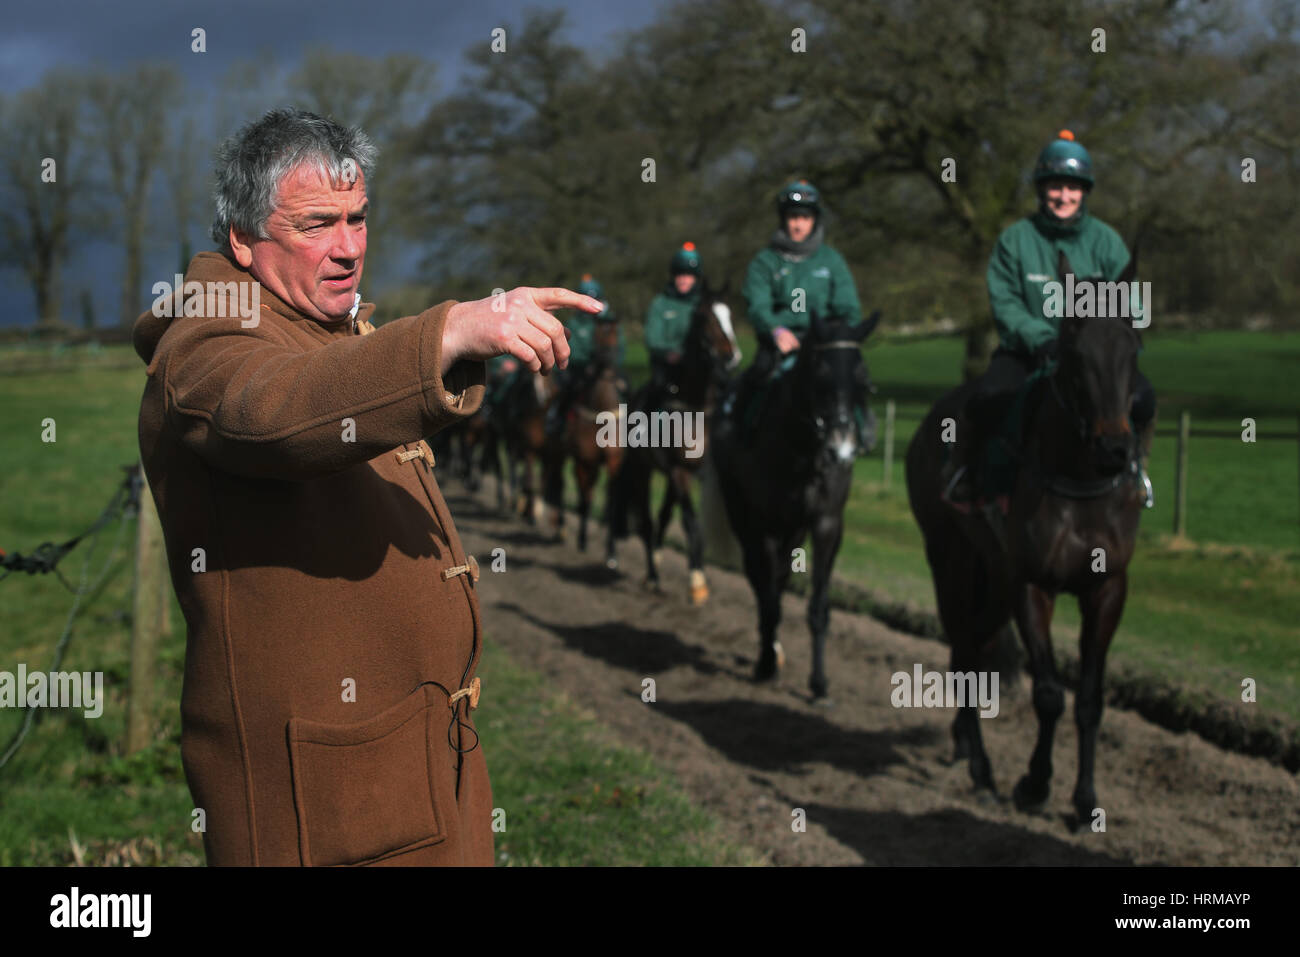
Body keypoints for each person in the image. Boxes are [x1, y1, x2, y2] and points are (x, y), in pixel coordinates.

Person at [132, 108, 601, 866]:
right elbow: (272, 409)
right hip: (323, 808)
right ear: (244, 239)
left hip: (407, 776)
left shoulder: (317, 323)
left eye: (358, 218)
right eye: (316, 224)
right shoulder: (204, 341)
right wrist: (444, 333)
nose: (348, 247)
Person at [942, 129, 1157, 510]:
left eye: (1072, 188)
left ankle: (1135, 473)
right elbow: (1005, 302)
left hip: (1092, 362)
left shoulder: (1107, 243)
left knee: (1142, 399)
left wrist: (1091, 341)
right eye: (1055, 186)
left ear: (1085, 191)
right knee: (987, 398)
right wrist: (1042, 338)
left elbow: (1129, 308)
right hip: (1028, 353)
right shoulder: (1015, 240)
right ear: (1041, 189)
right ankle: (970, 477)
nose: (1063, 196)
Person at [732, 180, 874, 450]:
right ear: (783, 219)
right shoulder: (765, 261)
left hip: (823, 343)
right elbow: (757, 305)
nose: (797, 225)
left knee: (852, 376)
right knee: (754, 379)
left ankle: (859, 430)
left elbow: (848, 307)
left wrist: (836, 333)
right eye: (792, 217)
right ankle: (740, 439)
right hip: (779, 343)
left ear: (814, 220)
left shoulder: (831, 261)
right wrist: (775, 329)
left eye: (804, 218)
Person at [545, 274, 622, 435]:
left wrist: (612, 363)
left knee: (625, 387)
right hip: (580, 371)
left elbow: (619, 346)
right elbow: (570, 349)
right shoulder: (574, 323)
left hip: (606, 370)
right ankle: (557, 422)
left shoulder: (607, 322)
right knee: (566, 391)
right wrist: (586, 363)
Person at [643, 243, 702, 397]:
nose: (683, 279)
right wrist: (669, 352)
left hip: (697, 365)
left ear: (695, 278)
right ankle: (641, 420)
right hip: (667, 366)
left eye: (688, 275)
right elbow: (652, 337)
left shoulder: (702, 304)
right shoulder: (661, 303)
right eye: (679, 275)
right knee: (655, 391)